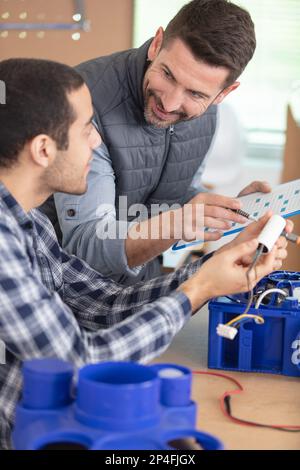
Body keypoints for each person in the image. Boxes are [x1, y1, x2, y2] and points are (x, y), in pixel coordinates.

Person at [0, 58, 289, 449]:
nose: (96, 141)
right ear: (44, 149)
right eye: (87, 128)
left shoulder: (26, 218)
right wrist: (197, 291)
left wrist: (214, 267)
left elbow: (101, 303)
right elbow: (77, 365)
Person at [41, 0, 271, 286]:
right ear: (156, 43)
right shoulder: (84, 103)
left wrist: (229, 211)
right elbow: (87, 244)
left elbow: (172, 192)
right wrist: (176, 223)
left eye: (196, 94)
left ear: (224, 93)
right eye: (168, 74)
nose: (170, 102)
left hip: (138, 292)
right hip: (63, 294)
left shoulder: (210, 114)